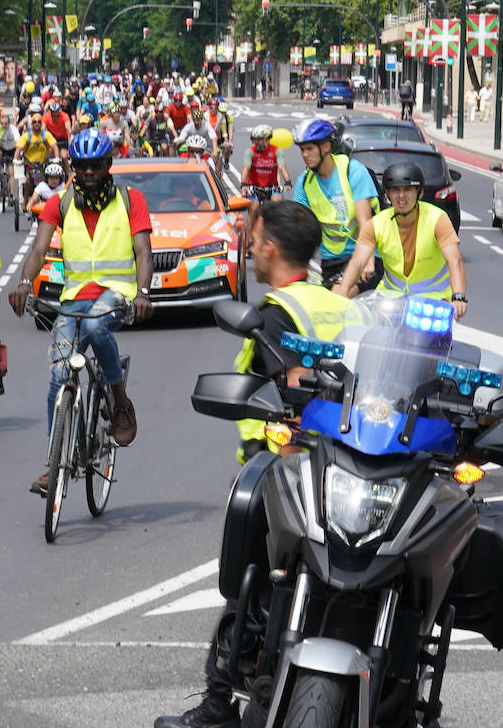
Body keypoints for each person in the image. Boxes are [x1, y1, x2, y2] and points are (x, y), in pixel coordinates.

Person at [155, 201, 361, 728]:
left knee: (247, 584)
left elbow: (293, 393)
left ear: (270, 247)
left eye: (253, 237)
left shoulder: (278, 312)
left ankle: (219, 701)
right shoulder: (342, 305)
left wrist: (288, 461)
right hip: (355, 471)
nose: (248, 247)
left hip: (284, 472)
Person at [8, 130, 154, 495]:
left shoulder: (130, 199)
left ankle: (120, 401)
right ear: (74, 167)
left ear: (108, 166)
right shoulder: (60, 201)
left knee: (95, 328)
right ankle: (54, 463)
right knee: (58, 376)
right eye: (82, 166)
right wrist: (25, 282)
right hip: (73, 297)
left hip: (115, 294)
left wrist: (144, 292)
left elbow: (144, 253)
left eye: (95, 165)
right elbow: (39, 250)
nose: (88, 171)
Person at [334, 162, 466, 318]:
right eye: (395, 190)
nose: (401, 196)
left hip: (433, 302)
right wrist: (341, 297)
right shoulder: (376, 224)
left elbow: (455, 260)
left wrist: (458, 297)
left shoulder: (437, 219)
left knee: (438, 339)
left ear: (420, 193)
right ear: (388, 194)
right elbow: (357, 262)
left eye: (408, 189)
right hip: (390, 303)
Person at [293, 120, 379, 288]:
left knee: (342, 294)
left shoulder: (352, 171)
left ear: (326, 146)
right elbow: (299, 228)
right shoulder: (304, 182)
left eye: (309, 149)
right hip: (329, 261)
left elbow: (365, 223)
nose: (304, 155)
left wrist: (368, 262)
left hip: (363, 256)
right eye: (302, 150)